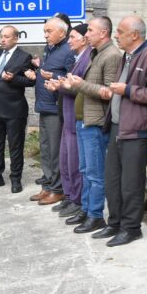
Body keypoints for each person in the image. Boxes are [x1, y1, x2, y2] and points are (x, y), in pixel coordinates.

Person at [98, 16, 147, 246]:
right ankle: (115, 223)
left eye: (120, 31)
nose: (116, 35)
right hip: (118, 127)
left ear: (135, 35)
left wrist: (128, 90)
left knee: (131, 183)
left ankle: (131, 228)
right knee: (112, 179)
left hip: (138, 131)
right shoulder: (127, 56)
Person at [66, 17, 122, 231]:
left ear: (104, 32)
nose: (87, 34)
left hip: (96, 122)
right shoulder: (96, 53)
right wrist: (73, 85)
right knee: (85, 169)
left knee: (95, 173)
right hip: (84, 120)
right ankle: (86, 209)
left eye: (90, 30)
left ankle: (95, 215)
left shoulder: (112, 55)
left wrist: (81, 84)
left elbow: (109, 92)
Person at [0, 26, 35, 193]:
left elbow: (31, 81)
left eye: (6, 37)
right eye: (1, 36)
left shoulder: (24, 57)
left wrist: (14, 79)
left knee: (15, 146)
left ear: (15, 39)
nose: (2, 40)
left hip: (14, 110)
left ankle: (16, 179)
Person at [26, 17, 75, 205]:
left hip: (56, 108)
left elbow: (72, 78)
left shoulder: (68, 51)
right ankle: (47, 186)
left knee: (55, 151)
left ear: (62, 32)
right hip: (44, 106)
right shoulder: (50, 49)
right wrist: (37, 73)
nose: (45, 35)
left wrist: (53, 75)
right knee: (45, 150)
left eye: (49, 31)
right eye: (45, 31)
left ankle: (57, 189)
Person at [45, 23, 91, 217]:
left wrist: (62, 85)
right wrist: (60, 84)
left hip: (75, 115)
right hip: (67, 115)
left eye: (73, 37)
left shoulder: (88, 58)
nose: (69, 41)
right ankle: (69, 195)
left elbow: (81, 87)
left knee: (74, 162)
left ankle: (77, 199)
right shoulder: (78, 58)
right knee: (65, 159)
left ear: (84, 39)